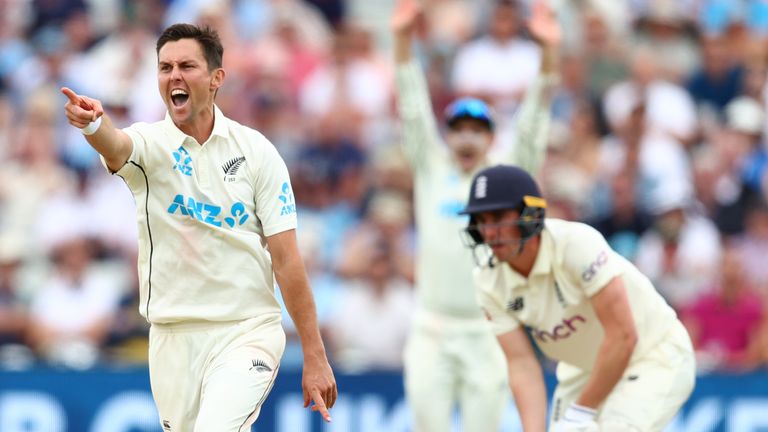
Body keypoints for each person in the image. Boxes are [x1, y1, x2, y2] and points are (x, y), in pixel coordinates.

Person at [60, 23, 336, 431]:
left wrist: (314, 353)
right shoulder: (150, 145)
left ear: (216, 78)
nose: (174, 75)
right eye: (165, 67)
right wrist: (94, 126)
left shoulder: (256, 152)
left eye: (187, 65)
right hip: (172, 336)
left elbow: (287, 259)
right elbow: (117, 145)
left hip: (247, 332)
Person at [391, 0, 560, 430]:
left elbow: (534, 123)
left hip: (489, 331)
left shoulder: (503, 176)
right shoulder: (431, 169)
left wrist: (549, 56)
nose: (467, 137)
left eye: (477, 130)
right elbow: (412, 108)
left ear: (490, 137)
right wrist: (401, 39)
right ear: (448, 136)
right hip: (431, 328)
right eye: (459, 129)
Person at [460, 164, 695, 431]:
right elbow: (522, 364)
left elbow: (623, 336)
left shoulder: (576, 244)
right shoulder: (488, 280)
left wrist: (580, 412)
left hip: (653, 354)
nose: (489, 232)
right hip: (584, 370)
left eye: (499, 217)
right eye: (481, 220)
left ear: (530, 215)